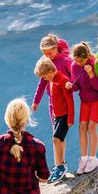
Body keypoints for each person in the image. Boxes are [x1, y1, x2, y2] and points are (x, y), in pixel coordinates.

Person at [31, 34, 73, 170]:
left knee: (59, 136)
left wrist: (70, 84)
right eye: (45, 54)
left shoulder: (65, 60)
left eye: (50, 52)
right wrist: (36, 101)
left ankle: (60, 164)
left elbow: (73, 76)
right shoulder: (46, 63)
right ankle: (58, 163)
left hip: (63, 102)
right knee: (56, 134)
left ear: (56, 48)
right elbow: (42, 84)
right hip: (52, 103)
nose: (48, 56)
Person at [65, 42, 98, 175]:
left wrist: (91, 74)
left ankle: (93, 158)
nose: (79, 63)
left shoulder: (94, 63)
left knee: (92, 127)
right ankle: (84, 158)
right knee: (82, 127)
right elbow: (76, 86)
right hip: (85, 101)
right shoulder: (74, 65)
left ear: (87, 56)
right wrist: (71, 85)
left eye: (82, 60)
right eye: (77, 60)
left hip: (97, 100)